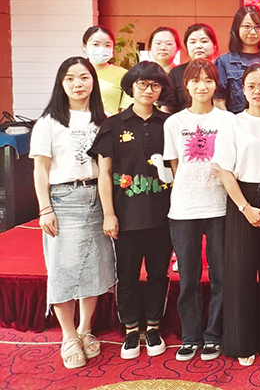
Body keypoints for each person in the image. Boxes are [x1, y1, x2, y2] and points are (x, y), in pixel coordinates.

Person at [29, 56, 115, 369]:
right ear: (61, 83)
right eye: (70, 78)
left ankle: (85, 329)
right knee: (63, 269)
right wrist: (45, 208)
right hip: (63, 199)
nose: (77, 84)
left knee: (94, 267)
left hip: (98, 197)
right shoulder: (48, 122)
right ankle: (68, 336)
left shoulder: (104, 120)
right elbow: (40, 169)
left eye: (84, 77)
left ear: (93, 81)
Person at [89, 61, 173, 360]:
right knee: (126, 275)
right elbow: (104, 172)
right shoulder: (113, 125)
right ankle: (131, 329)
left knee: (158, 274)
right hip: (125, 216)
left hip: (163, 215)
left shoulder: (169, 124)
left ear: (161, 89)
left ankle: (153, 327)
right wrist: (109, 213)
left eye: (155, 85)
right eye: (142, 84)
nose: (148, 90)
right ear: (131, 87)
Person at [214, 64, 260, 366]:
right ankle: (240, 341)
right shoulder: (232, 123)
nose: (257, 91)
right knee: (240, 272)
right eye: (251, 86)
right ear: (242, 90)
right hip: (240, 200)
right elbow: (224, 170)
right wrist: (245, 207)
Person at [163, 58, 235, 362]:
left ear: (216, 84)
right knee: (188, 277)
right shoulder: (173, 123)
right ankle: (191, 336)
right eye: (195, 80)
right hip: (184, 208)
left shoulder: (228, 120)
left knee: (221, 275)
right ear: (186, 85)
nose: (202, 86)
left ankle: (213, 335)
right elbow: (175, 164)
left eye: (208, 80)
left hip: (219, 206)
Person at [214, 5, 260, 114]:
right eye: (247, 26)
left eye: (258, 27)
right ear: (237, 28)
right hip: (235, 120)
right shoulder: (223, 62)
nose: (253, 32)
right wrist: (234, 121)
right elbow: (218, 101)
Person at [166, 23, 219, 113]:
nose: (198, 46)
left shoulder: (222, 69)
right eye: (193, 42)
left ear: (214, 46)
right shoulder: (176, 73)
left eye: (204, 41)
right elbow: (167, 107)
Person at [82, 25, 132, 114]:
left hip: (110, 122)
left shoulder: (123, 74)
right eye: (95, 44)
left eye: (107, 45)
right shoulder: (76, 72)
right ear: (84, 47)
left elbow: (127, 110)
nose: (102, 49)